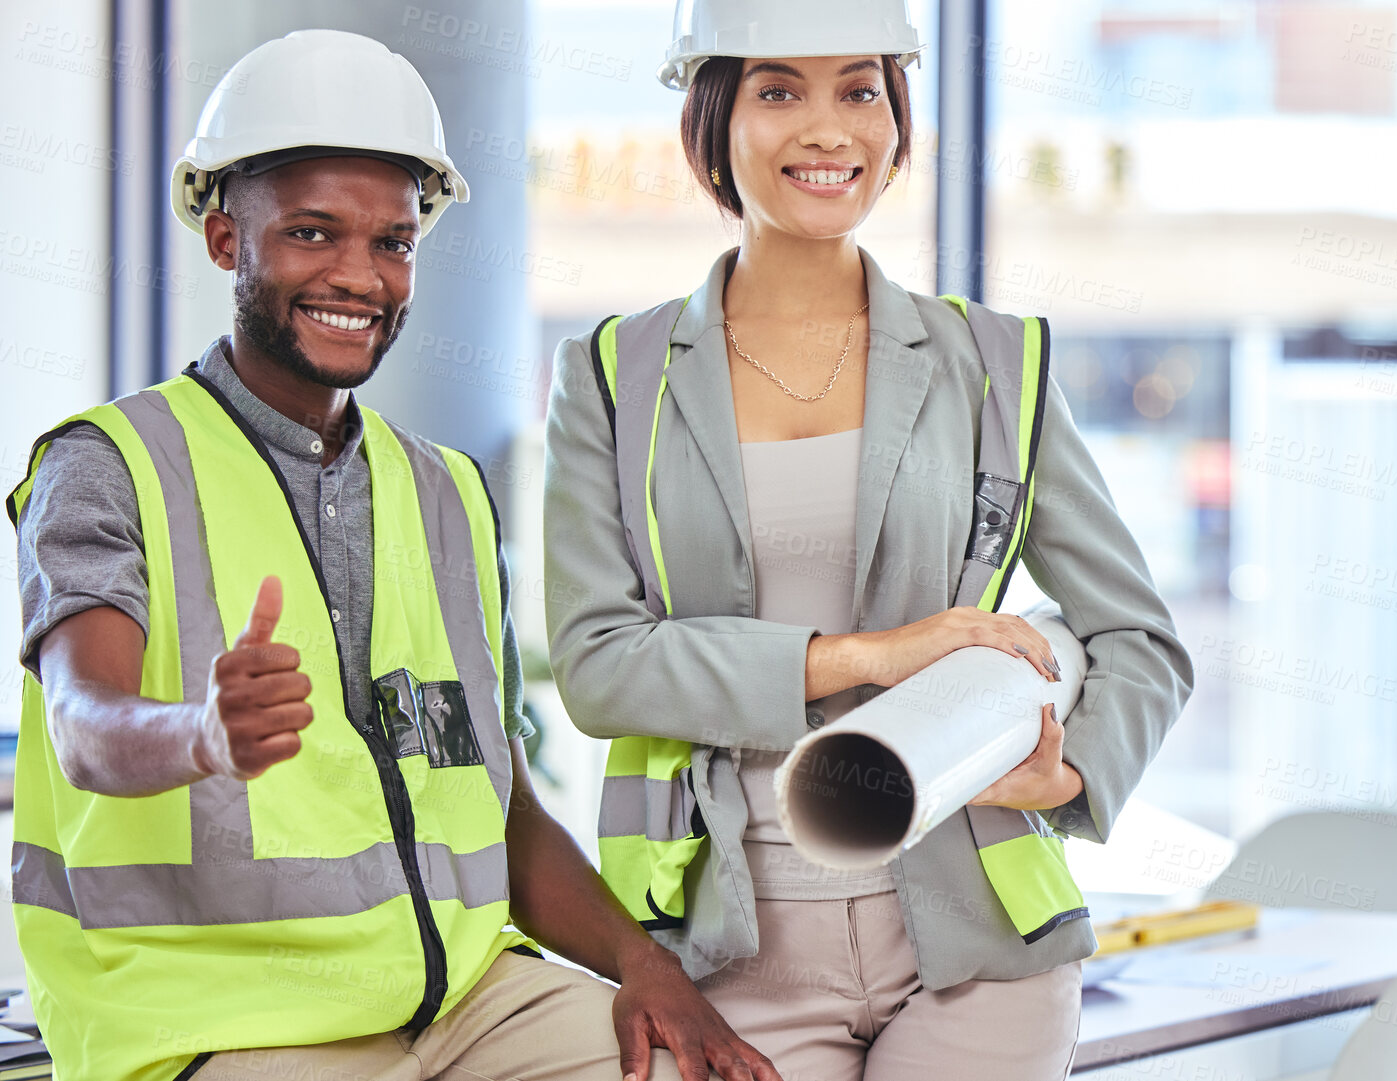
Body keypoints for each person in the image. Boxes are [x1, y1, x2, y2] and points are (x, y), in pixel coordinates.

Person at [10, 29, 777, 1081]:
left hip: (462, 1000)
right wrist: (200, 733)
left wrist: (643, 966)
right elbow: (83, 726)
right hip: (222, 1022)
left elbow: (494, 799)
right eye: (312, 233)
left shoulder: (449, 493)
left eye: (393, 243)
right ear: (226, 240)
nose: (357, 276)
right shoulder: (109, 464)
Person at [542, 2, 1194, 1077]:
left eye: (859, 88)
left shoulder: (994, 363)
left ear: (897, 114)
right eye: (777, 90)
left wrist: (1068, 775)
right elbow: (599, 663)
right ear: (711, 116)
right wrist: (868, 656)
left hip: (978, 942)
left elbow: (1138, 635)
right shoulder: (614, 380)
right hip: (727, 956)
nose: (828, 129)